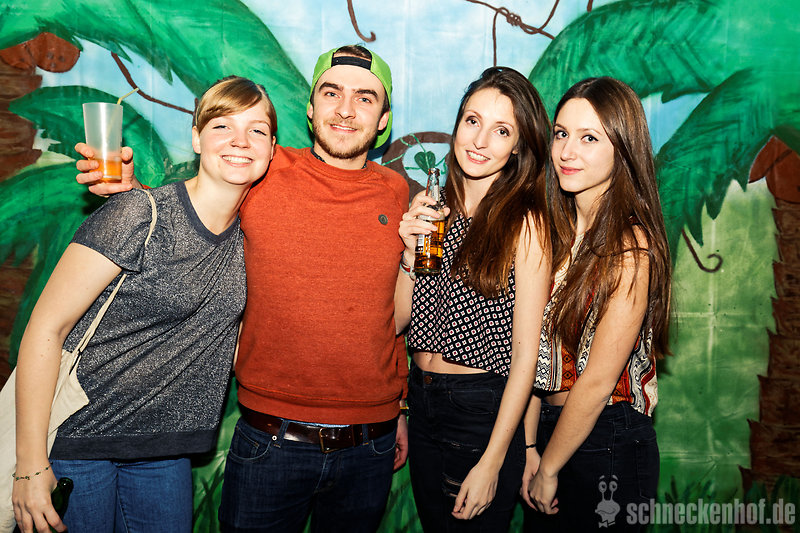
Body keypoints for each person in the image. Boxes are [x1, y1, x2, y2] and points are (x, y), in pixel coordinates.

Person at [76, 45, 410, 533]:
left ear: (383, 120)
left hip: (371, 443)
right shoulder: (262, 167)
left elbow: (388, 312)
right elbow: (193, 211)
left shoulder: (398, 192)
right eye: (331, 93)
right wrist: (133, 191)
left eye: (365, 98)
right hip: (271, 440)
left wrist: (397, 407)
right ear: (310, 108)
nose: (345, 109)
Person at [13, 76, 277, 533]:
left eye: (257, 130)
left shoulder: (253, 239)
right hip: (79, 442)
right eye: (222, 126)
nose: (240, 140)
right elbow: (46, 329)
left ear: (273, 150)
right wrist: (30, 465)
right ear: (196, 139)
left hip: (165, 450)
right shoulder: (138, 212)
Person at [395, 67, 552, 532]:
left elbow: (526, 357)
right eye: (472, 121)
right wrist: (408, 254)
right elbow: (398, 322)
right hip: (421, 400)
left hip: (481, 410)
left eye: (502, 130)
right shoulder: (433, 207)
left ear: (519, 146)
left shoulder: (526, 223)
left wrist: (493, 460)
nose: (480, 141)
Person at [521, 77, 672, 532]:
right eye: (562, 134)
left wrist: (549, 467)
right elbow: (534, 358)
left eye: (589, 138)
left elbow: (598, 381)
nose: (567, 152)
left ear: (622, 149)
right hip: (553, 432)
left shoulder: (631, 246)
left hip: (609, 441)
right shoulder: (558, 235)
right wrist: (530, 447)